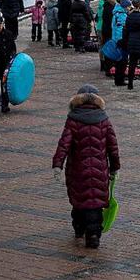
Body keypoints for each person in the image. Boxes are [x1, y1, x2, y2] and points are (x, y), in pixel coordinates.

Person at [52, 84, 120, 249]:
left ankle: (79, 227)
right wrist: (115, 167)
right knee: (95, 202)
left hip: (77, 171)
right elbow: (113, 146)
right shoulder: (104, 119)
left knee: (79, 200)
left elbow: (64, 145)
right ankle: (94, 235)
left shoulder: (73, 119)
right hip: (100, 170)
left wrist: (57, 165)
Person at [111, 0, 131, 86]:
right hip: (121, 41)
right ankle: (120, 80)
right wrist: (123, 40)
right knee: (122, 61)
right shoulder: (122, 15)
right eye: (129, 6)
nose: (129, 8)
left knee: (118, 61)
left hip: (115, 39)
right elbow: (122, 29)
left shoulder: (116, 13)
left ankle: (118, 79)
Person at [98, 0, 117, 72]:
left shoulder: (103, 6)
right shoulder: (110, 7)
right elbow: (110, 21)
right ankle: (107, 66)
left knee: (103, 46)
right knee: (108, 47)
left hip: (101, 27)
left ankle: (103, 64)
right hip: (107, 29)